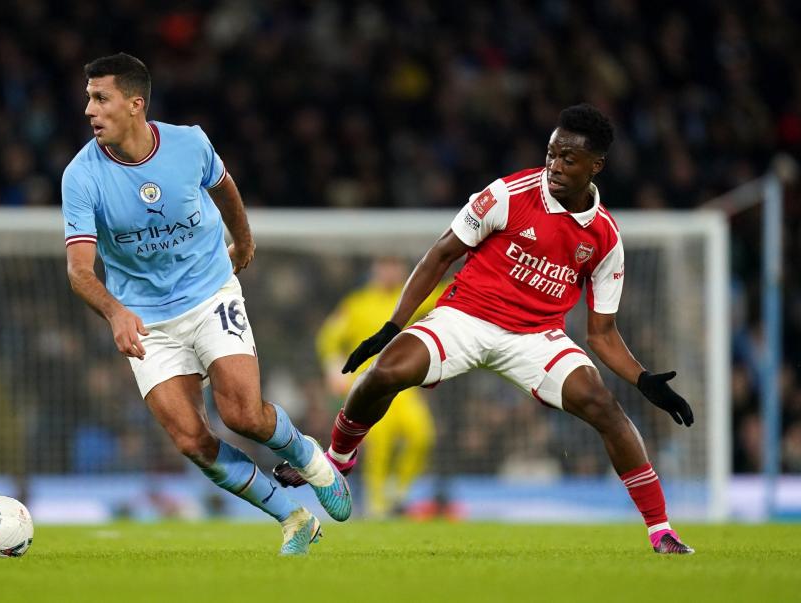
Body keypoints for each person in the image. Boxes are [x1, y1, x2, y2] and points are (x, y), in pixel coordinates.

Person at [276, 104, 696, 554]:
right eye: (551, 153)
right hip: (467, 317)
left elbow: (602, 335)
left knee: (604, 406)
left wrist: (643, 379)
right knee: (385, 371)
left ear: (596, 166)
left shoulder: (605, 238)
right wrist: (392, 326)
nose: (554, 165)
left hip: (537, 338)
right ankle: (336, 463)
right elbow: (441, 254)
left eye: (568, 159)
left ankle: (661, 530)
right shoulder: (508, 194)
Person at [61, 53, 350, 555]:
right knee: (192, 440)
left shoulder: (189, 143)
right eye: (88, 98)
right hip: (146, 319)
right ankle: (293, 519)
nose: (90, 109)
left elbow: (225, 189)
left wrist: (244, 238)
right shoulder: (82, 176)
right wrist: (116, 312)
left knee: (242, 415)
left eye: (100, 98)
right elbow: (79, 271)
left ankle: (309, 458)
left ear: (135, 104)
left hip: (209, 293)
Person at [291, 256, 442, 517]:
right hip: (369, 386)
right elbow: (329, 337)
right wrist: (332, 367)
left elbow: (449, 292)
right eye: (385, 265)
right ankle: (378, 506)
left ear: (405, 269)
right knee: (379, 444)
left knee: (422, 435)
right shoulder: (357, 304)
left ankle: (398, 491)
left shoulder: (412, 297)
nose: (390, 271)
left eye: (394, 265)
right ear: (375, 269)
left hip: (405, 387)